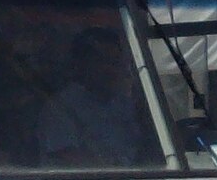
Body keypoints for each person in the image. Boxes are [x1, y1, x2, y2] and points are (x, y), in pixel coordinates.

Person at [37, 27, 144, 167]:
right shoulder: (61, 107)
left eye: (115, 62)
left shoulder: (124, 104)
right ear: (82, 64)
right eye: (103, 61)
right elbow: (67, 157)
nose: (111, 70)